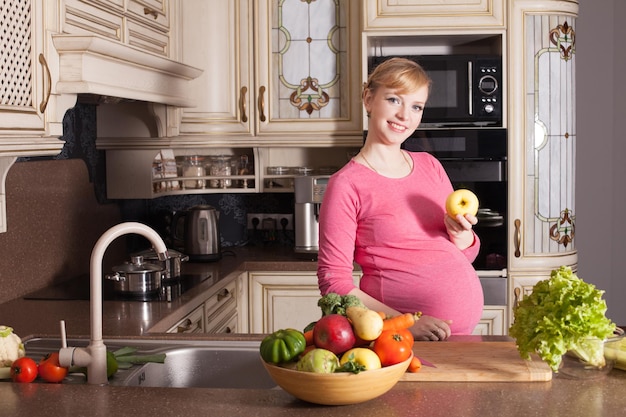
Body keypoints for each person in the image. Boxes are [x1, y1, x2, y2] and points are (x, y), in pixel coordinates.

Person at [316, 57, 483, 341]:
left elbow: (464, 255)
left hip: (462, 338)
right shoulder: (346, 184)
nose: (405, 115)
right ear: (369, 99)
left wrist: (462, 236)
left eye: (416, 106)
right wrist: (405, 323)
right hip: (401, 341)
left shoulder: (429, 165)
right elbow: (334, 283)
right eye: (394, 100)